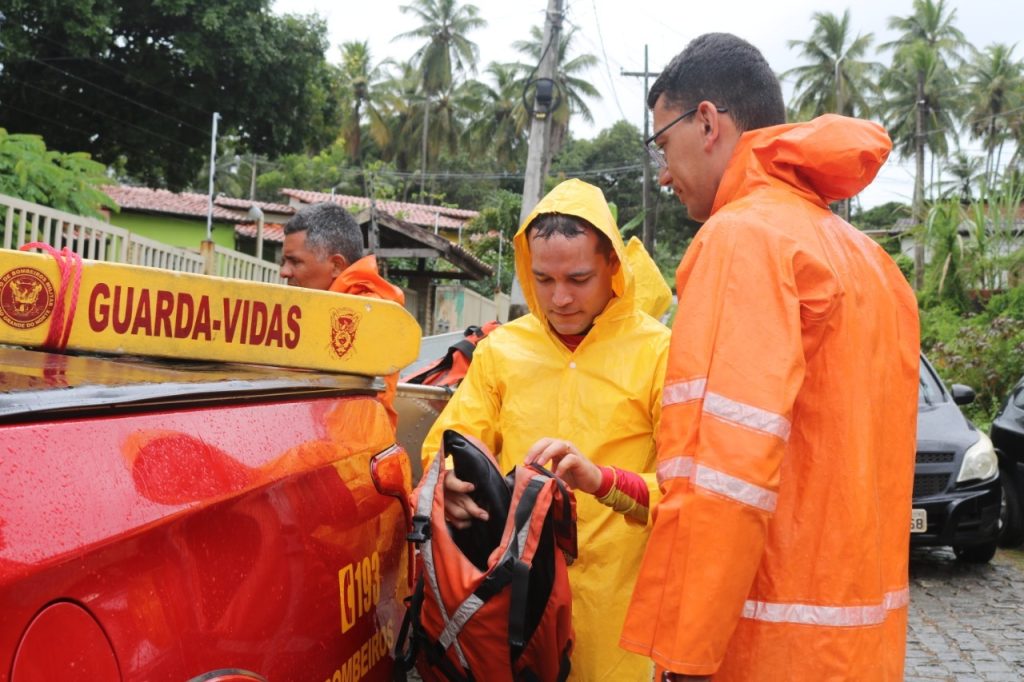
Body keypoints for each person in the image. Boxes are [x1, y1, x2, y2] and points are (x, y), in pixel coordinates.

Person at [619, 33, 920, 681]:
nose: (664, 173)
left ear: (706, 121)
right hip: (858, 653)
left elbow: (726, 471)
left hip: (763, 654)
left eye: (662, 145)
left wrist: (687, 655)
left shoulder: (743, 239)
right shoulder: (873, 263)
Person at [421, 178, 671, 681]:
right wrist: (446, 484)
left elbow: (689, 492)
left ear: (613, 269)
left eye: (578, 279)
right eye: (543, 279)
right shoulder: (502, 350)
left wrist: (603, 481)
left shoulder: (659, 352)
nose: (559, 298)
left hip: (618, 610)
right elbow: (448, 443)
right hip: (515, 607)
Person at [281, 202, 406, 426]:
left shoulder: (368, 316)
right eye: (284, 261)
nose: (284, 272)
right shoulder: (320, 308)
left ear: (337, 265)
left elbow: (334, 424)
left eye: (295, 261)